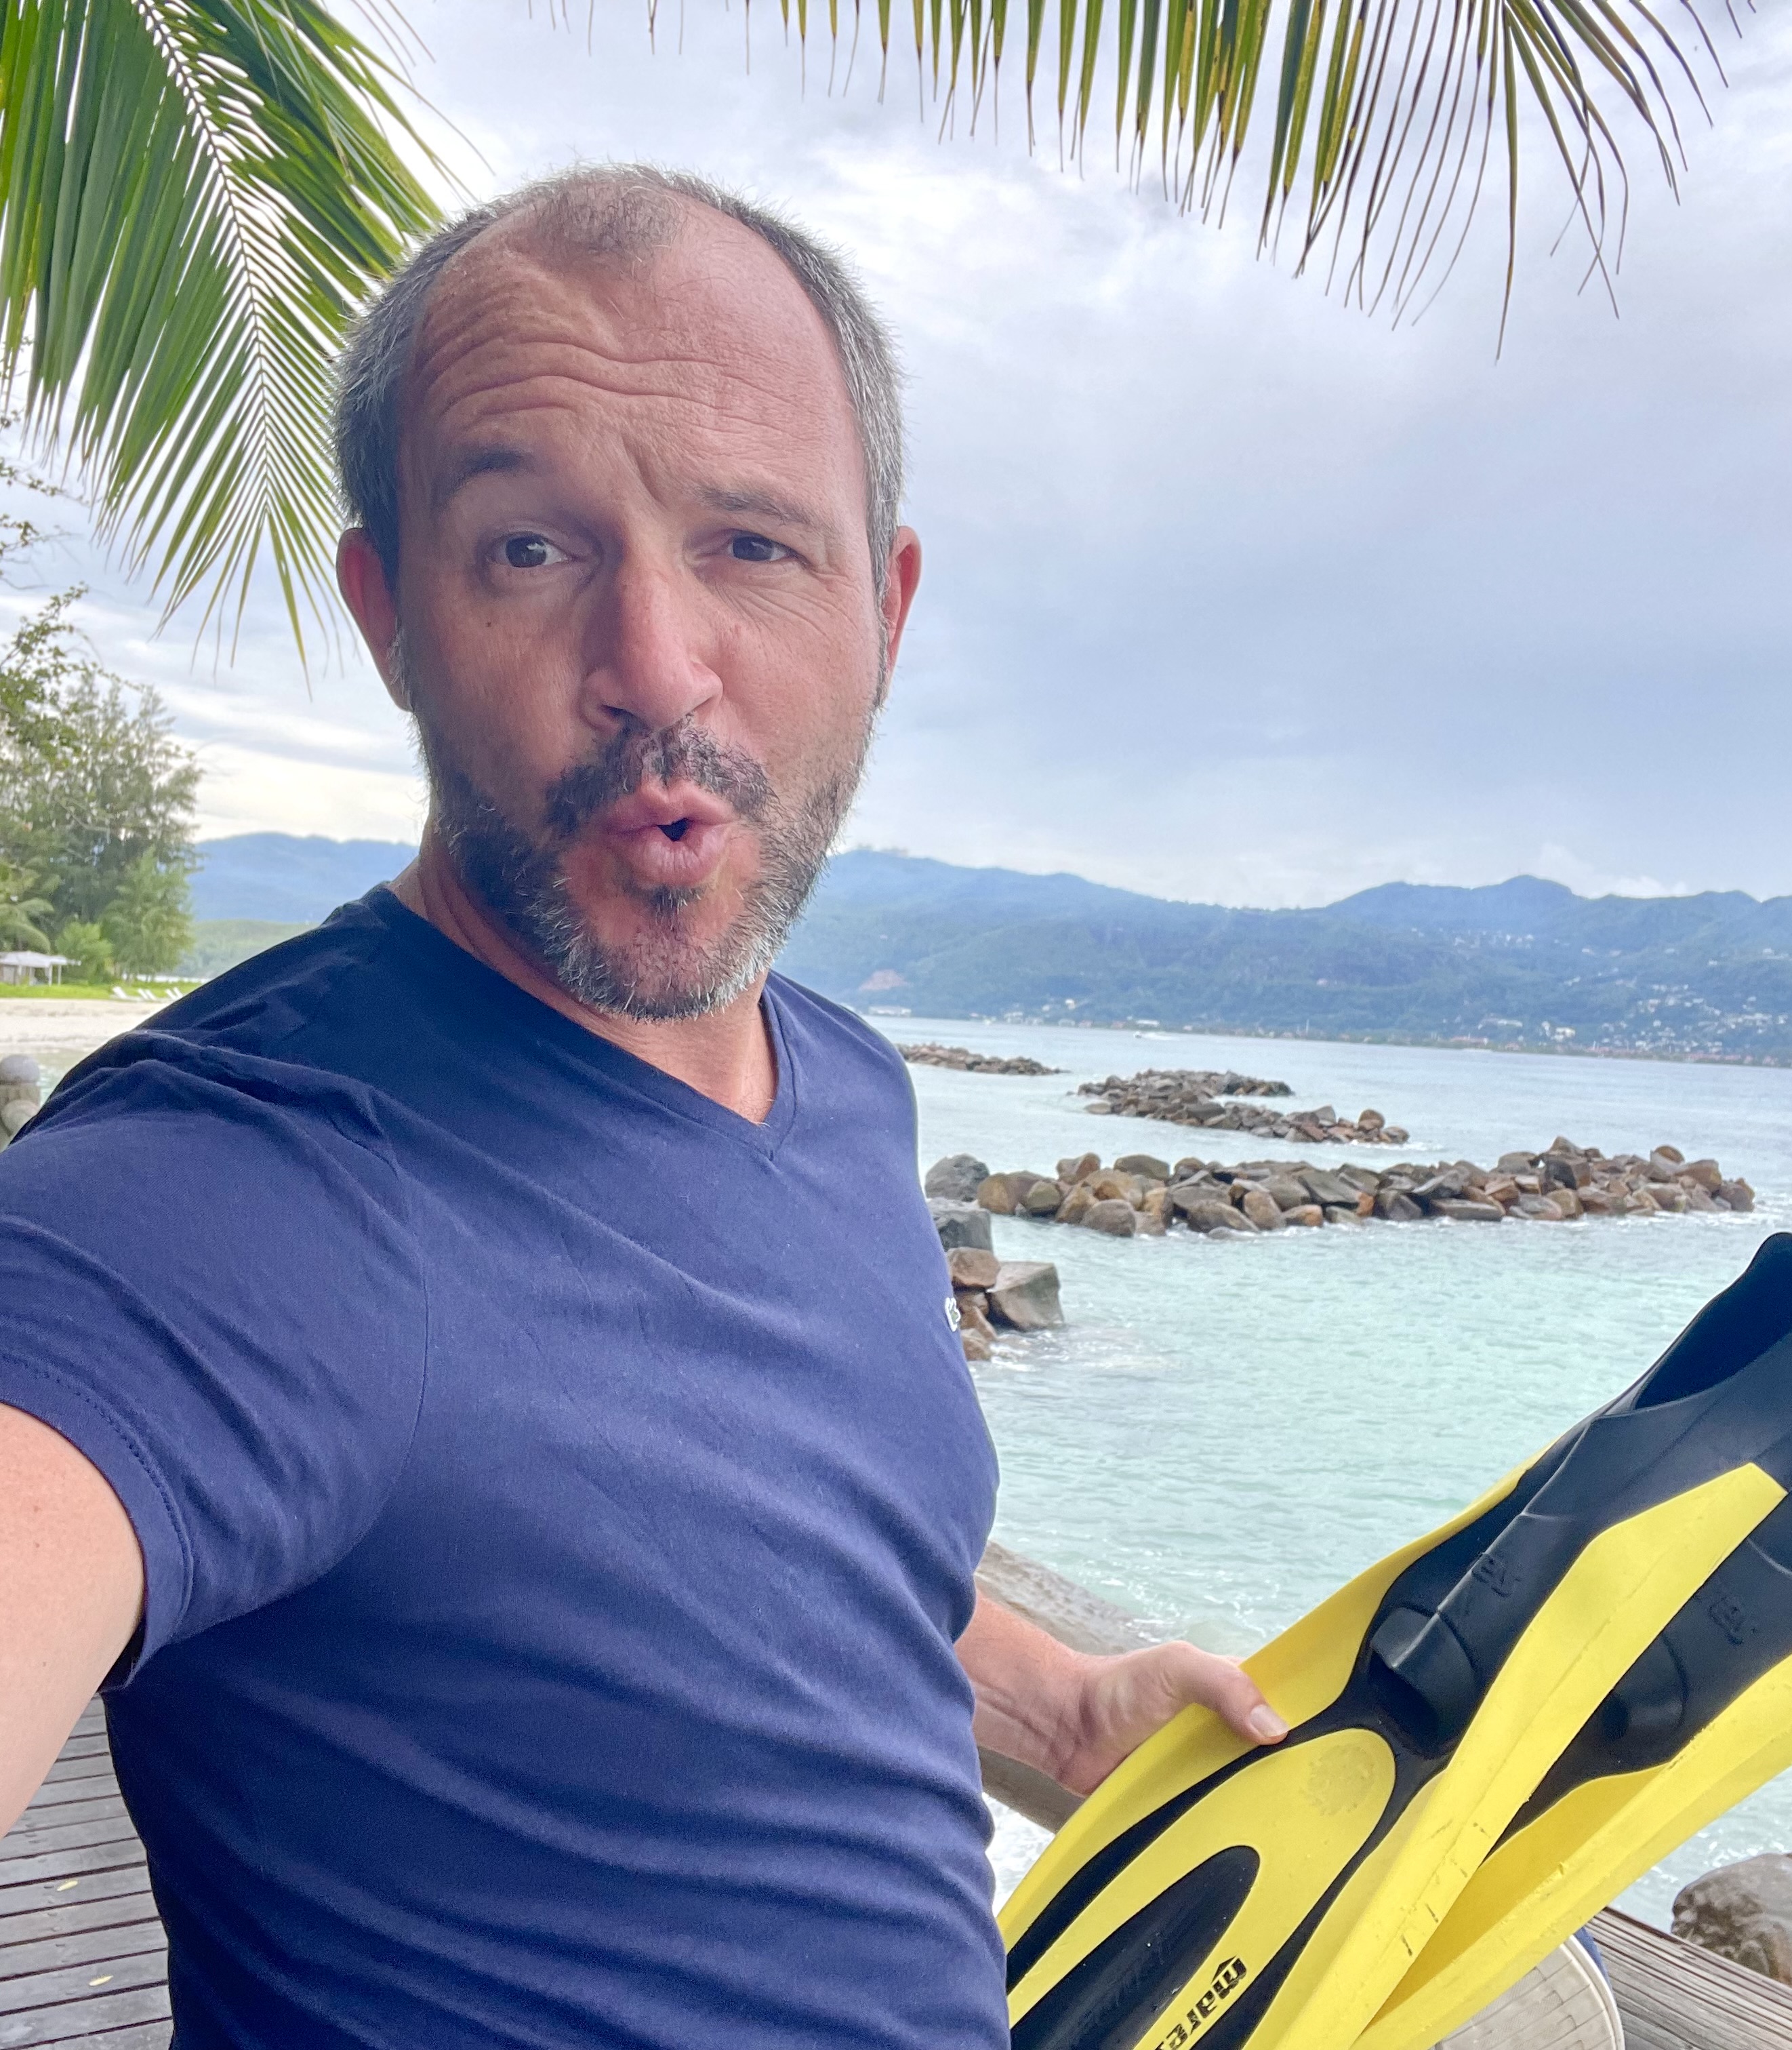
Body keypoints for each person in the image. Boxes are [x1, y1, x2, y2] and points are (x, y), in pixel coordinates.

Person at [0, 165, 1284, 2046]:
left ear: (885, 607)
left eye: (752, 545)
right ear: (390, 615)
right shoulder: (237, 1189)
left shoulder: (841, 1088)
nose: (658, 671)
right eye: (530, 549)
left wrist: (1061, 1707)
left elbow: (776, 1562)